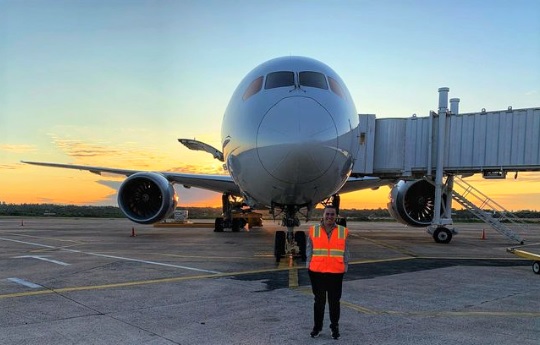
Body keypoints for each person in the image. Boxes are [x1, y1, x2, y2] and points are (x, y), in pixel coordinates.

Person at [306, 205, 349, 340]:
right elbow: (309, 249)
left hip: (336, 271)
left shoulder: (343, 231)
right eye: (327, 214)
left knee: (334, 302)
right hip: (317, 271)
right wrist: (308, 264)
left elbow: (346, 250)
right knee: (319, 301)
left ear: (336, 216)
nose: (330, 217)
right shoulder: (314, 230)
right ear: (323, 215)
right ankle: (317, 327)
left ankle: (334, 326)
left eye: (332, 214)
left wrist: (346, 264)